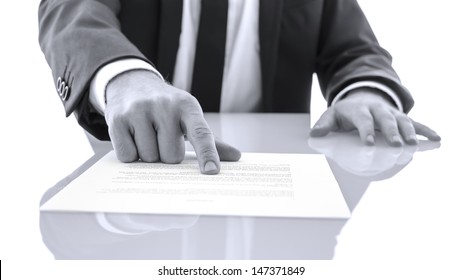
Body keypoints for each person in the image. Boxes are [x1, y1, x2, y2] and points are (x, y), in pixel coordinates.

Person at [38, 0, 440, 175]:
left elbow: (353, 48)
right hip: (140, 167)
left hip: (273, 182)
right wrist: (123, 77)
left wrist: (365, 92)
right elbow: (69, 8)